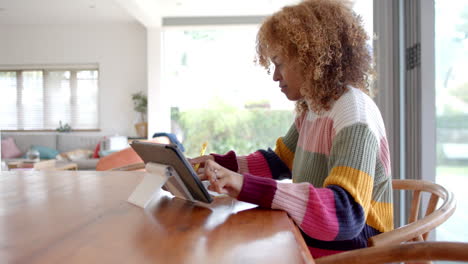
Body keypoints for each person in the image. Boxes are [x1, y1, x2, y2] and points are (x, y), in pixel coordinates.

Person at [189, 0, 393, 258]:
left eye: (280, 63)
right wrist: (218, 164)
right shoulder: (315, 108)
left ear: (311, 58)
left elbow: (345, 215)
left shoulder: (353, 112)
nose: (275, 76)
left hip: (355, 250)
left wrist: (243, 184)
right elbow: (279, 161)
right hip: (319, 237)